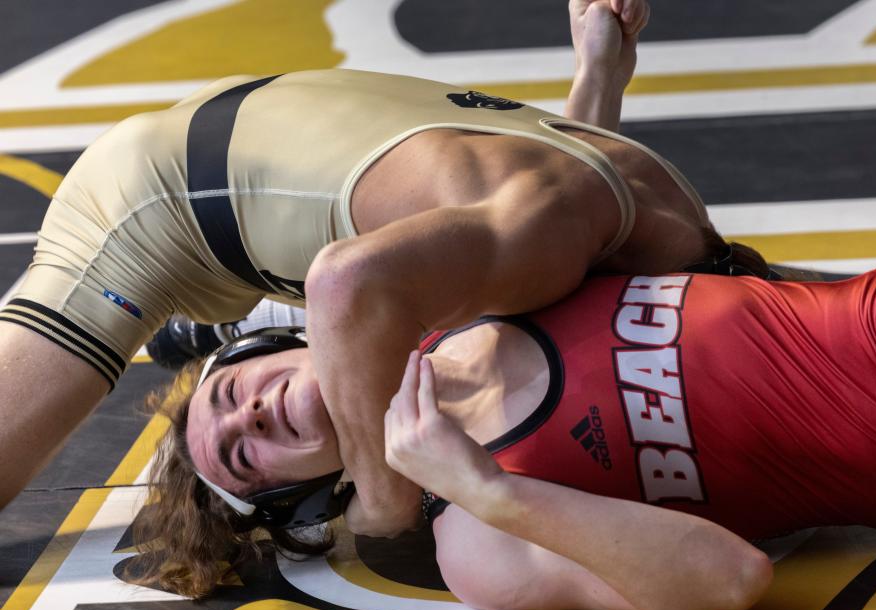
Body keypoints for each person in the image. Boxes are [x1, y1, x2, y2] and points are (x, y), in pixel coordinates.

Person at [0, 0, 760, 534]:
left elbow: (553, 222)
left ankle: (241, 314)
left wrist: (600, 75)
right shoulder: (563, 241)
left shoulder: (642, 209)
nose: (251, 414)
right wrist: (383, 500)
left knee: (451, 299)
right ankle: (240, 314)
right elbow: (345, 283)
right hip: (153, 211)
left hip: (236, 163)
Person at [137, 248, 876, 610]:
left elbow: (568, 208)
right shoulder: (476, 542)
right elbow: (728, 579)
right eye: (244, 455)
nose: (249, 412)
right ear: (301, 502)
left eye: (227, 394)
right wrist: (493, 491)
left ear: (271, 345)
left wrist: (597, 70)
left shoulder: (453, 296)